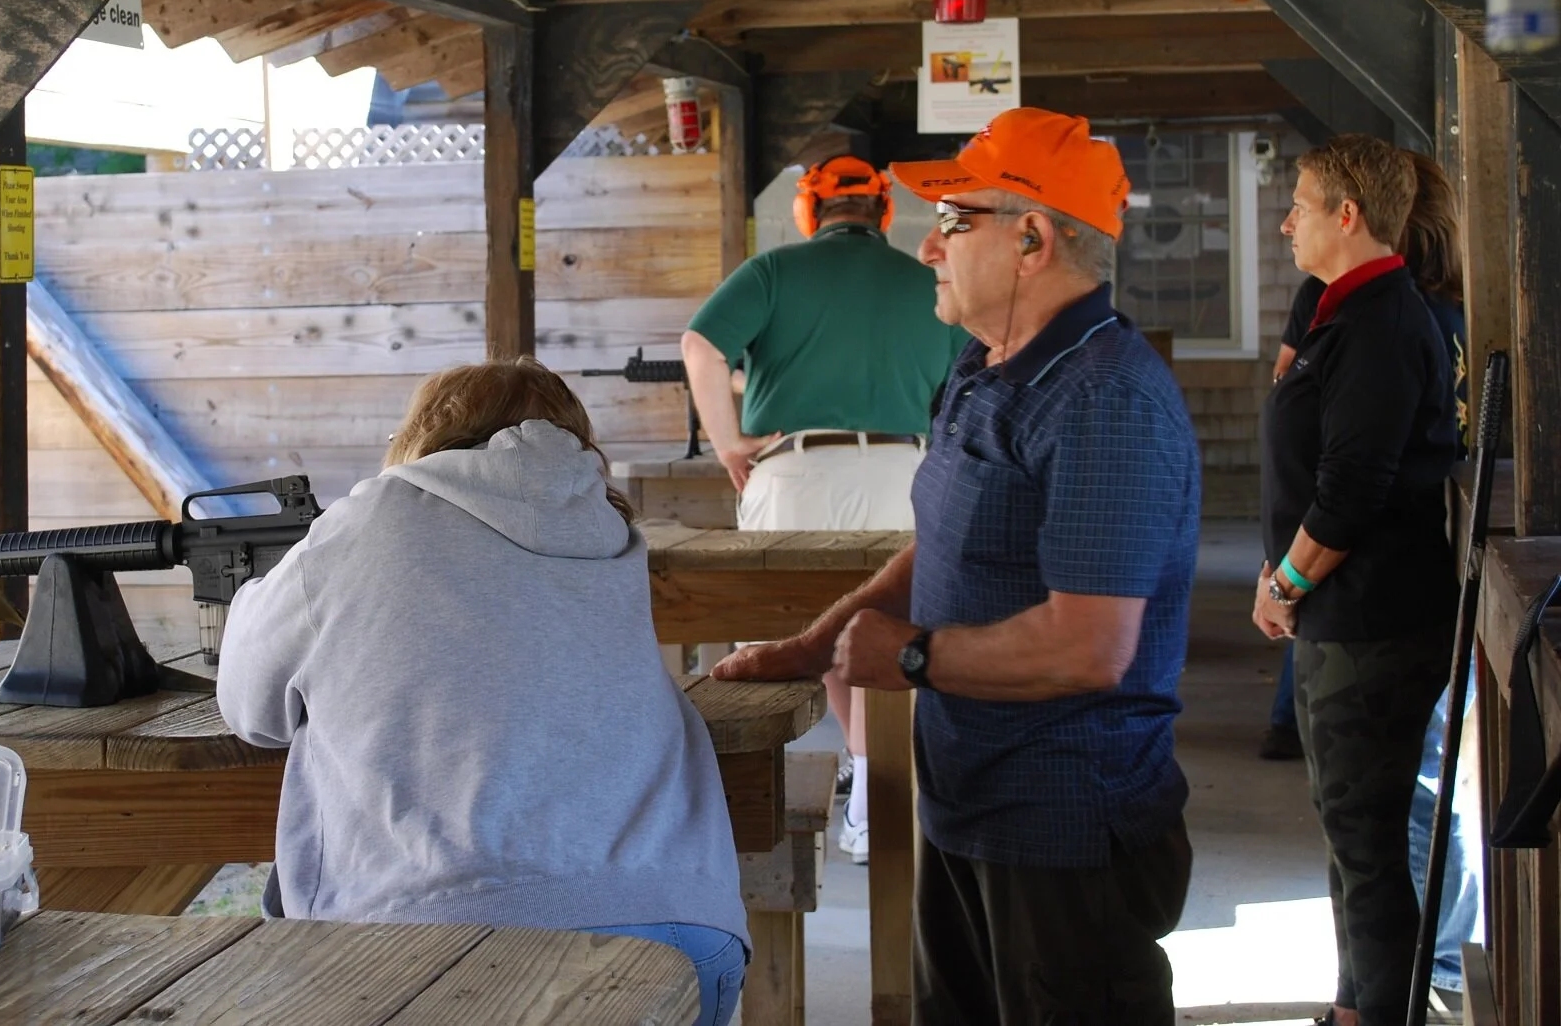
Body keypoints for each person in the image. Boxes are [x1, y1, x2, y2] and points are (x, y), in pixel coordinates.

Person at [716, 107, 1201, 1026]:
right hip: (967, 803)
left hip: (1062, 830)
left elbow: (1090, 647)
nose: (928, 249)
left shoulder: (1104, 400)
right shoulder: (987, 366)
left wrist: (907, 659)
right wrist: (816, 645)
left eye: (952, 221)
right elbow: (942, 543)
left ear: (1033, 238)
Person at [215, 358, 749, 1026]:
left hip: (444, 936)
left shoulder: (370, 518)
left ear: (423, 435)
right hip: (688, 925)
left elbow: (248, 705)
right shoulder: (611, 535)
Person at [680, 154, 966, 863]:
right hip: (905, 468)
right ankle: (872, 793)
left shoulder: (772, 272)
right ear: (883, 213)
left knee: (795, 638)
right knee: (883, 630)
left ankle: (756, 818)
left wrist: (728, 444)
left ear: (811, 210)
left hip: (795, 470)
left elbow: (700, 346)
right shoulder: (925, 278)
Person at [1263, 147, 1479, 1007]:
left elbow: (1353, 487)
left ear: (1347, 214)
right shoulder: (1346, 311)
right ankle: (1356, 1003)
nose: (1288, 221)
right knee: (1352, 838)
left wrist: (1282, 584)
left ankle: (1382, 1008)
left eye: (1300, 205)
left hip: (1373, 620)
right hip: (1343, 619)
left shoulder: (1383, 321)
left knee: (1373, 846)